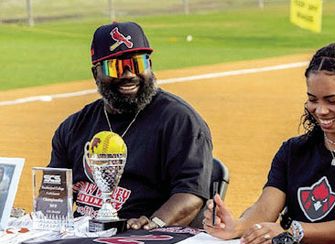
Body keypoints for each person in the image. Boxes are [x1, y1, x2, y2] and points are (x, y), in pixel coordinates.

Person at [204, 43, 335, 244]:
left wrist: (293, 231)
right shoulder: (293, 151)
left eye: (332, 100)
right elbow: (265, 211)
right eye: (312, 99)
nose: (321, 110)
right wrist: (236, 226)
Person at [49, 22, 213, 229]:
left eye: (137, 64)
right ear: (96, 74)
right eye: (116, 67)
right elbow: (53, 194)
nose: (128, 75)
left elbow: (191, 193)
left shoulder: (179, 121)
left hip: (137, 239)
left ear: (150, 65)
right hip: (83, 234)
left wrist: (154, 225)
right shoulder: (73, 127)